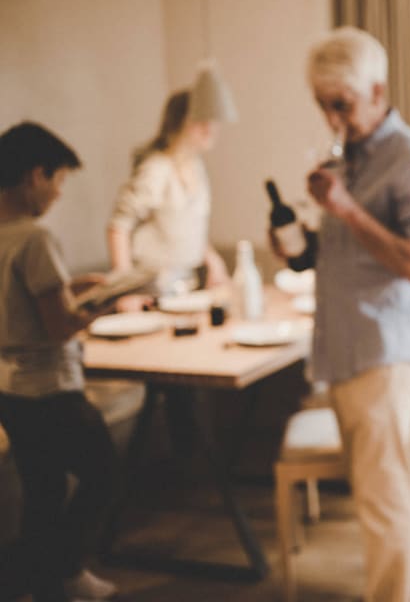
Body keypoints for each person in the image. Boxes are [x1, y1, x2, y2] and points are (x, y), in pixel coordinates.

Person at [272, 27, 410, 602]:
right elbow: (343, 256)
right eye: (322, 105)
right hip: (344, 348)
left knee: (382, 500)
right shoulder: (347, 158)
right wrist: (299, 249)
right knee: (384, 493)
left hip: (383, 352)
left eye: (340, 104)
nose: (331, 118)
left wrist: (345, 209)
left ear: (377, 91)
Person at [0, 122, 119, 602]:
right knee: (106, 472)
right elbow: (58, 326)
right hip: (50, 389)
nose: (59, 193)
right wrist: (105, 304)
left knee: (43, 491)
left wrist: (74, 289)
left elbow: (20, 305)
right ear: (34, 176)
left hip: (10, 390)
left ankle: (39, 585)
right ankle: (66, 571)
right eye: (58, 180)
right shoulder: (34, 238)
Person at [106, 88, 229, 300]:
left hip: (186, 282)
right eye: (200, 121)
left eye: (211, 121)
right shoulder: (157, 169)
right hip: (151, 285)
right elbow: (118, 227)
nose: (209, 128)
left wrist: (213, 260)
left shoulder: (197, 167)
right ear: (179, 122)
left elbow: (189, 225)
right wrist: (124, 290)